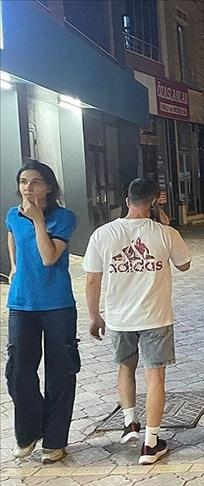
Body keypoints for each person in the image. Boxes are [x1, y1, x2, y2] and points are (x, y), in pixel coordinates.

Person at [84, 178, 191, 465]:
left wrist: (94, 315)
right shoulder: (166, 233)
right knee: (154, 377)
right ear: (154, 202)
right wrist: (166, 225)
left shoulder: (103, 234)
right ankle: (151, 443)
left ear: (127, 200)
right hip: (155, 316)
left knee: (125, 367)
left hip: (119, 318)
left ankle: (130, 422)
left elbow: (92, 279)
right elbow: (184, 264)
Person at [6, 159, 78, 464]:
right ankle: (28, 432)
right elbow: (12, 235)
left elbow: (49, 257)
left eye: (35, 182)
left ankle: (55, 440)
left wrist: (37, 220)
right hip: (21, 304)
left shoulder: (64, 218)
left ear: (48, 187)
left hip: (57, 305)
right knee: (18, 371)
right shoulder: (13, 215)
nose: (28, 188)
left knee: (60, 372)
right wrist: (14, 266)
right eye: (23, 182)